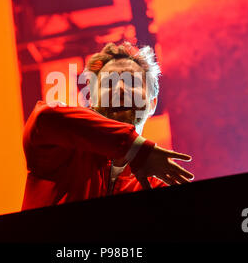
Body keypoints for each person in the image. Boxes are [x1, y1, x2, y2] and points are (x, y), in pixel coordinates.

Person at [21, 42, 194, 210]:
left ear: (152, 103)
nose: (119, 89)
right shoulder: (63, 151)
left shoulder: (158, 186)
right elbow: (45, 118)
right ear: (92, 102)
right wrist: (134, 148)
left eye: (131, 82)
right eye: (108, 84)